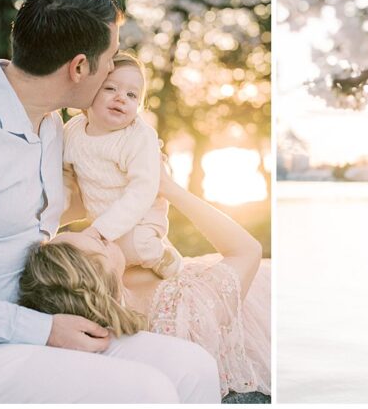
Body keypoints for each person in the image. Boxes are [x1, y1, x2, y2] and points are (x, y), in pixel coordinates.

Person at [0, 0, 220, 403]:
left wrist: (136, 172)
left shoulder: (53, 126)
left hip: (45, 318)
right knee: (148, 390)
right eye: (110, 61)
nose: (115, 72)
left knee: (194, 367)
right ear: (80, 67)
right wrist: (41, 329)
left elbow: (32, 212)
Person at [18, 159, 271, 397]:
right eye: (95, 240)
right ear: (98, 273)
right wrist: (171, 189)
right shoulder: (181, 311)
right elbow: (247, 250)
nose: (93, 229)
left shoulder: (120, 279)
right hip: (263, 304)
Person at [63, 52, 183, 279]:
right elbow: (63, 172)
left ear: (138, 104)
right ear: (91, 91)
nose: (121, 98)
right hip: (101, 219)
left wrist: (101, 230)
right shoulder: (73, 130)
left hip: (142, 219)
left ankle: (165, 258)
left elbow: (142, 190)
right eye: (110, 89)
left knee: (137, 246)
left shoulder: (138, 136)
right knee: (98, 260)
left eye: (131, 95)